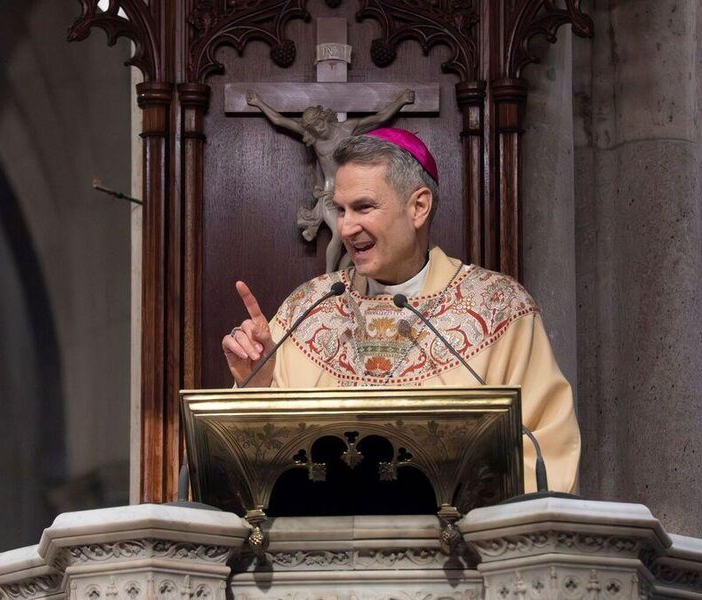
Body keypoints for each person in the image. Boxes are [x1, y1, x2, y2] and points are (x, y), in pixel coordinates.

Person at [222, 128, 580, 494]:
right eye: (340, 210)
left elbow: (545, 450)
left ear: (418, 207)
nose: (345, 227)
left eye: (363, 207)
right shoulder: (310, 307)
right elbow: (256, 460)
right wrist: (258, 383)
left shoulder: (499, 308)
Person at [246, 89, 415, 272]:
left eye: (319, 123)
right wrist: (258, 102)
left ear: (325, 117)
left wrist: (401, 100)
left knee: (349, 237)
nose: (318, 129)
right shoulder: (316, 139)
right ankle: (329, 276)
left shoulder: (347, 128)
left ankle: (343, 273)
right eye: (312, 127)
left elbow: (380, 118)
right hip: (328, 193)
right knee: (338, 234)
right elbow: (280, 120)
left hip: (350, 193)